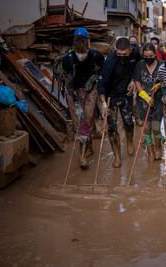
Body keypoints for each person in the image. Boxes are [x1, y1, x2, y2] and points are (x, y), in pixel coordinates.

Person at [62, 27, 105, 169]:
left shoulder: (97, 56)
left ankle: (88, 145)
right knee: (81, 122)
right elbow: (68, 83)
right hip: (74, 91)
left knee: (88, 119)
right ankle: (82, 155)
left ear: (88, 42)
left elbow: (100, 75)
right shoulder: (67, 59)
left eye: (84, 41)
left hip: (91, 89)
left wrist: (101, 100)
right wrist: (76, 100)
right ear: (74, 42)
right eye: (78, 41)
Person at [98, 37, 139, 168]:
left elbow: (139, 67)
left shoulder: (135, 53)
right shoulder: (110, 61)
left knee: (128, 122)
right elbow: (101, 84)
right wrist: (103, 103)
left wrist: (134, 79)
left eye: (124, 54)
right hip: (111, 96)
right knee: (112, 127)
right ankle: (117, 156)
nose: (122, 56)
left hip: (126, 93)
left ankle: (129, 140)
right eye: (119, 54)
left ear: (130, 50)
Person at [133, 43, 164, 162]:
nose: (147, 58)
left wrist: (159, 85)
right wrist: (146, 97)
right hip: (143, 101)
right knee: (146, 128)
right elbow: (137, 84)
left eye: (150, 55)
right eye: (145, 56)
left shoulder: (162, 65)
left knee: (156, 127)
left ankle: (158, 147)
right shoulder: (139, 65)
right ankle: (149, 150)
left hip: (158, 100)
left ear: (155, 54)